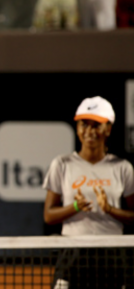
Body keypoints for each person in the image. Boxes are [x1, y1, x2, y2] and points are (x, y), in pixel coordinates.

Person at [43, 96, 134, 289]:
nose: (90, 131)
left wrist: (110, 209)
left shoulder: (122, 168)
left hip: (112, 255)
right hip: (72, 252)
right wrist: (75, 207)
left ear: (108, 129)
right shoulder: (62, 164)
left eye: (96, 125)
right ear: (77, 128)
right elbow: (49, 216)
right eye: (85, 124)